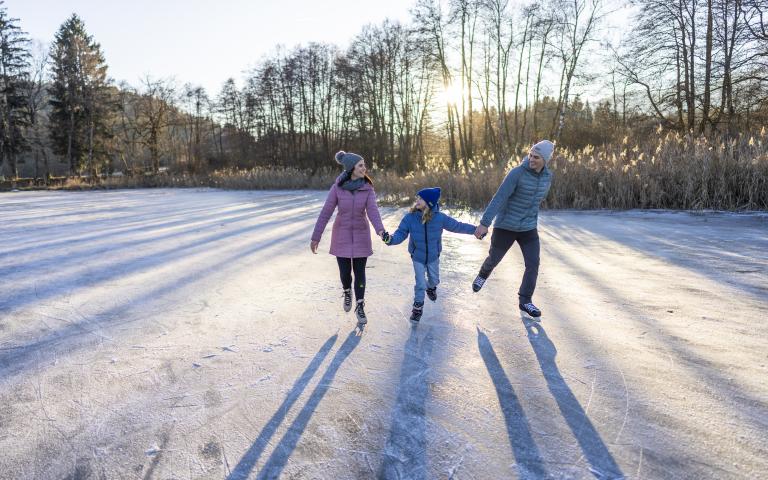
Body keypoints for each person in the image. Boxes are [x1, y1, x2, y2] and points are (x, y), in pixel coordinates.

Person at [472, 140, 555, 318]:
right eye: (530, 155)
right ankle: (482, 274)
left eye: (536, 157)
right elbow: (499, 198)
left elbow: (537, 201)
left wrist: (530, 219)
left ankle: (525, 300)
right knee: (494, 259)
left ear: (545, 160)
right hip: (506, 226)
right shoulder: (517, 173)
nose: (531, 159)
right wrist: (484, 223)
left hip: (528, 228)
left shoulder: (548, 177)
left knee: (533, 263)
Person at [311, 151, 387, 325]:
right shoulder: (337, 187)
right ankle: (347, 291)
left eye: (364, 165)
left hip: (361, 234)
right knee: (345, 273)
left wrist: (381, 231)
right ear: (351, 167)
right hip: (341, 235)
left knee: (360, 273)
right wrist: (316, 237)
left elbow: (373, 211)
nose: (364, 168)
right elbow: (326, 212)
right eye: (360, 165)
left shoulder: (367, 188)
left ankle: (360, 305)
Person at [383, 187, 477, 322]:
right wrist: (390, 240)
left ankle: (431, 288)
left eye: (420, 198)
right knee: (420, 283)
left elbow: (458, 226)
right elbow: (401, 233)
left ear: (429, 203)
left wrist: (475, 230)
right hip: (417, 257)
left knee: (434, 280)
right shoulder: (410, 218)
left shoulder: (440, 218)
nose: (417, 200)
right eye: (417, 198)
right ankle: (417, 308)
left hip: (433, 257)